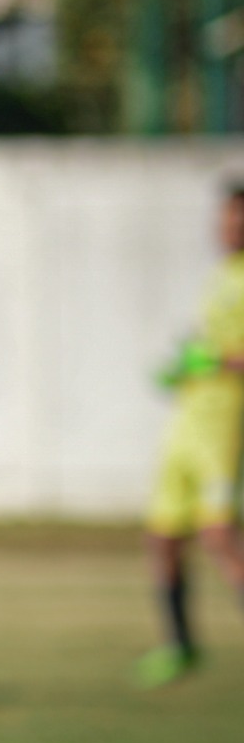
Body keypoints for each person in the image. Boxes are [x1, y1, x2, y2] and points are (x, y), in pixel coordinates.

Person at [137, 182, 244, 688]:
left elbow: (229, 356)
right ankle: (180, 646)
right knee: (163, 536)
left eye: (238, 218)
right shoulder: (220, 275)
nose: (229, 227)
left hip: (228, 424)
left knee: (220, 537)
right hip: (189, 420)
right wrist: (186, 368)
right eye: (225, 218)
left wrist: (220, 362)